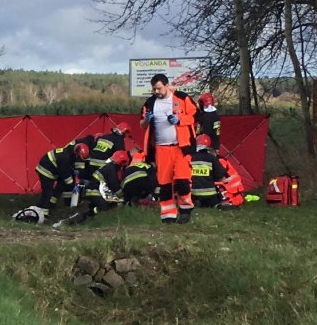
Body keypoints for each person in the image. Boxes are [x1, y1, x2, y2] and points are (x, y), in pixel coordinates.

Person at [140, 73, 198, 224]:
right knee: (164, 184)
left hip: (181, 147)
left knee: (182, 180)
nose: (156, 92)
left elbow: (196, 116)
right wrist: (147, 119)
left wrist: (180, 120)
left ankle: (185, 209)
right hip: (161, 148)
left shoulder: (182, 98)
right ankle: (168, 215)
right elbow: (142, 125)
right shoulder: (150, 103)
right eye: (154, 89)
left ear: (166, 85)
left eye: (159, 88)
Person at [57, 150, 130, 225]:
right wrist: (122, 196)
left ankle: (69, 222)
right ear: (122, 162)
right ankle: (74, 221)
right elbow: (114, 184)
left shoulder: (108, 167)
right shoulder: (111, 169)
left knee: (91, 211)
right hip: (95, 192)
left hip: (92, 192)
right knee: (106, 207)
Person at [35, 141, 90, 217]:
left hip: (55, 169)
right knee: (47, 192)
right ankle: (43, 214)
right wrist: (73, 185)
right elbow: (65, 174)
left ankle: (54, 205)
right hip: (46, 170)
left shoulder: (72, 151)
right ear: (77, 153)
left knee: (62, 185)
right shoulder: (64, 157)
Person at [190, 134, 232, 208]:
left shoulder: (190, 158)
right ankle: (218, 205)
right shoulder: (212, 158)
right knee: (217, 201)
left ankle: (197, 202)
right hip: (210, 195)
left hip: (193, 194)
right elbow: (220, 175)